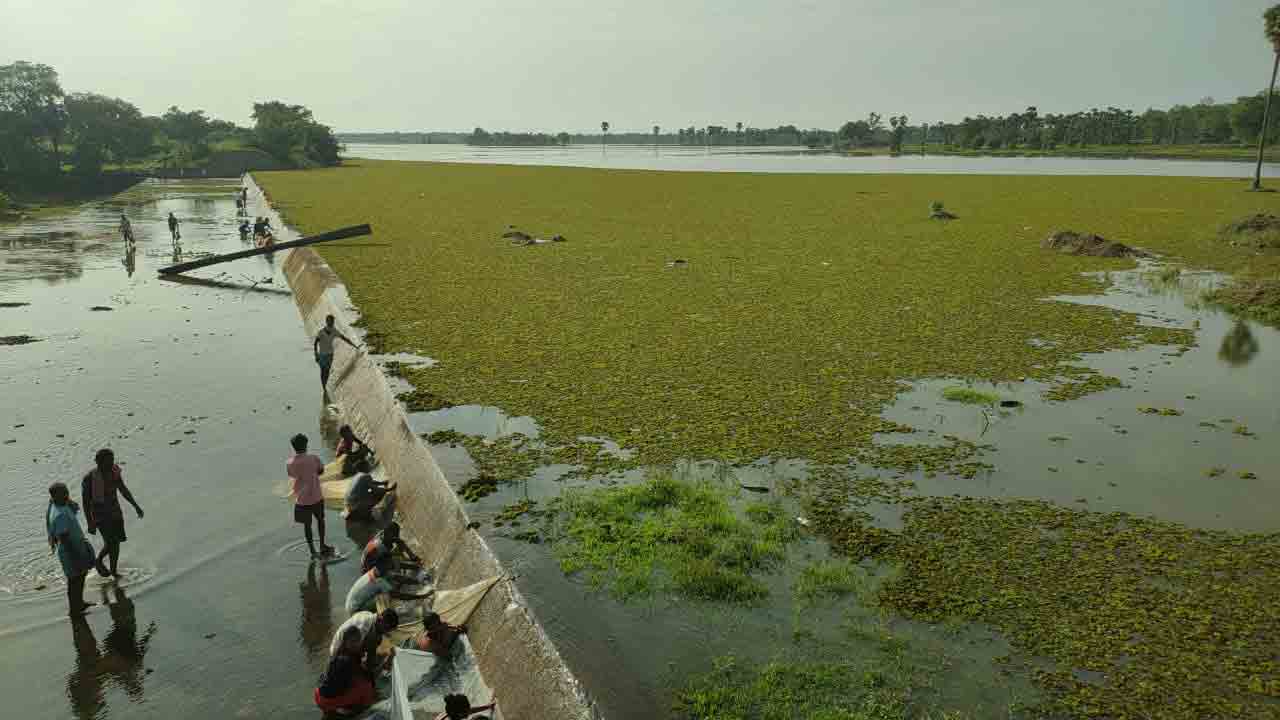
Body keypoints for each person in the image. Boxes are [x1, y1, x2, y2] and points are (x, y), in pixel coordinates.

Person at [82, 448, 144, 579]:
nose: (110, 464)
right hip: (100, 515)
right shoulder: (90, 478)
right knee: (111, 542)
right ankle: (98, 561)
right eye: (107, 462)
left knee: (116, 543)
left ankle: (114, 571)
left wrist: (135, 505)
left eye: (112, 460)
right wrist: (90, 522)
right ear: (98, 462)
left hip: (115, 511)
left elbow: (123, 489)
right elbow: (86, 502)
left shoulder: (115, 471)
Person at [46, 482, 96, 614]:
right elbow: (65, 539)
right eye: (64, 493)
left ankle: (79, 603)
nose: (67, 495)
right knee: (75, 580)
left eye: (67, 492)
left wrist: (68, 501)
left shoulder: (55, 504)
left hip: (74, 547)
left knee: (79, 576)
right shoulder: (60, 515)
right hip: (71, 551)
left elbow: (72, 506)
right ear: (56, 496)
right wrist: (77, 557)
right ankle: (74, 609)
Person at [287, 434, 333, 559]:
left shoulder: (290, 463)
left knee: (307, 525)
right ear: (306, 445)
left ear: (294, 447)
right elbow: (321, 470)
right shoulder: (313, 458)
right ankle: (323, 545)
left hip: (302, 500)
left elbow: (292, 475)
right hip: (316, 496)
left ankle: (312, 550)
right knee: (320, 520)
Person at [315, 626, 376, 715]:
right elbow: (369, 677)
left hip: (318, 694)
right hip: (325, 700)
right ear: (345, 642)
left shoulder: (338, 653)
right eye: (352, 641)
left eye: (358, 641)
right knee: (367, 686)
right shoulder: (348, 661)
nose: (356, 644)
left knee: (357, 682)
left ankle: (333, 709)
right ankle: (360, 712)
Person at [344, 559, 431, 615]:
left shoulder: (375, 571)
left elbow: (398, 577)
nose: (391, 569)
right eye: (389, 567)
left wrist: (418, 581)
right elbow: (399, 595)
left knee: (389, 589)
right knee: (385, 596)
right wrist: (421, 596)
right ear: (385, 568)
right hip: (355, 611)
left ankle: (381, 611)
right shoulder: (379, 581)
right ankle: (382, 619)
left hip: (351, 604)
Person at [329, 608, 399, 676]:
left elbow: (370, 652)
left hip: (351, 650)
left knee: (377, 642)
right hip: (338, 652)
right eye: (386, 628)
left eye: (388, 630)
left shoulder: (374, 623)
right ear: (381, 619)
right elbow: (350, 647)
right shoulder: (365, 624)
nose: (385, 632)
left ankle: (368, 672)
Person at [314, 314, 360, 395]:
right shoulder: (321, 332)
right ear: (326, 321)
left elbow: (344, 338)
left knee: (327, 371)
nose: (331, 323)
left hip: (330, 354)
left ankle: (324, 385)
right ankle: (324, 387)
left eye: (332, 321)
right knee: (322, 370)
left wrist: (355, 346)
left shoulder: (334, 331)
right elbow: (315, 342)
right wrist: (316, 354)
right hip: (322, 355)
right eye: (329, 321)